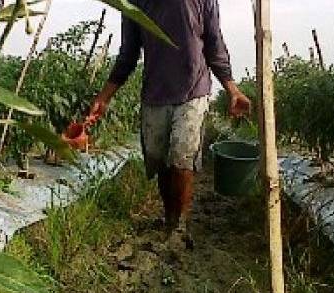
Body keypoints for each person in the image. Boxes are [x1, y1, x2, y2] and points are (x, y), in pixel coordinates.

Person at [85, 0, 251, 249]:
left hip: (193, 90)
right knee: (159, 158)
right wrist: (104, 97)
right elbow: (129, 53)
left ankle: (179, 226)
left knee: (181, 157)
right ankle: (169, 218)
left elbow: (214, 43)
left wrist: (232, 90)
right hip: (155, 93)